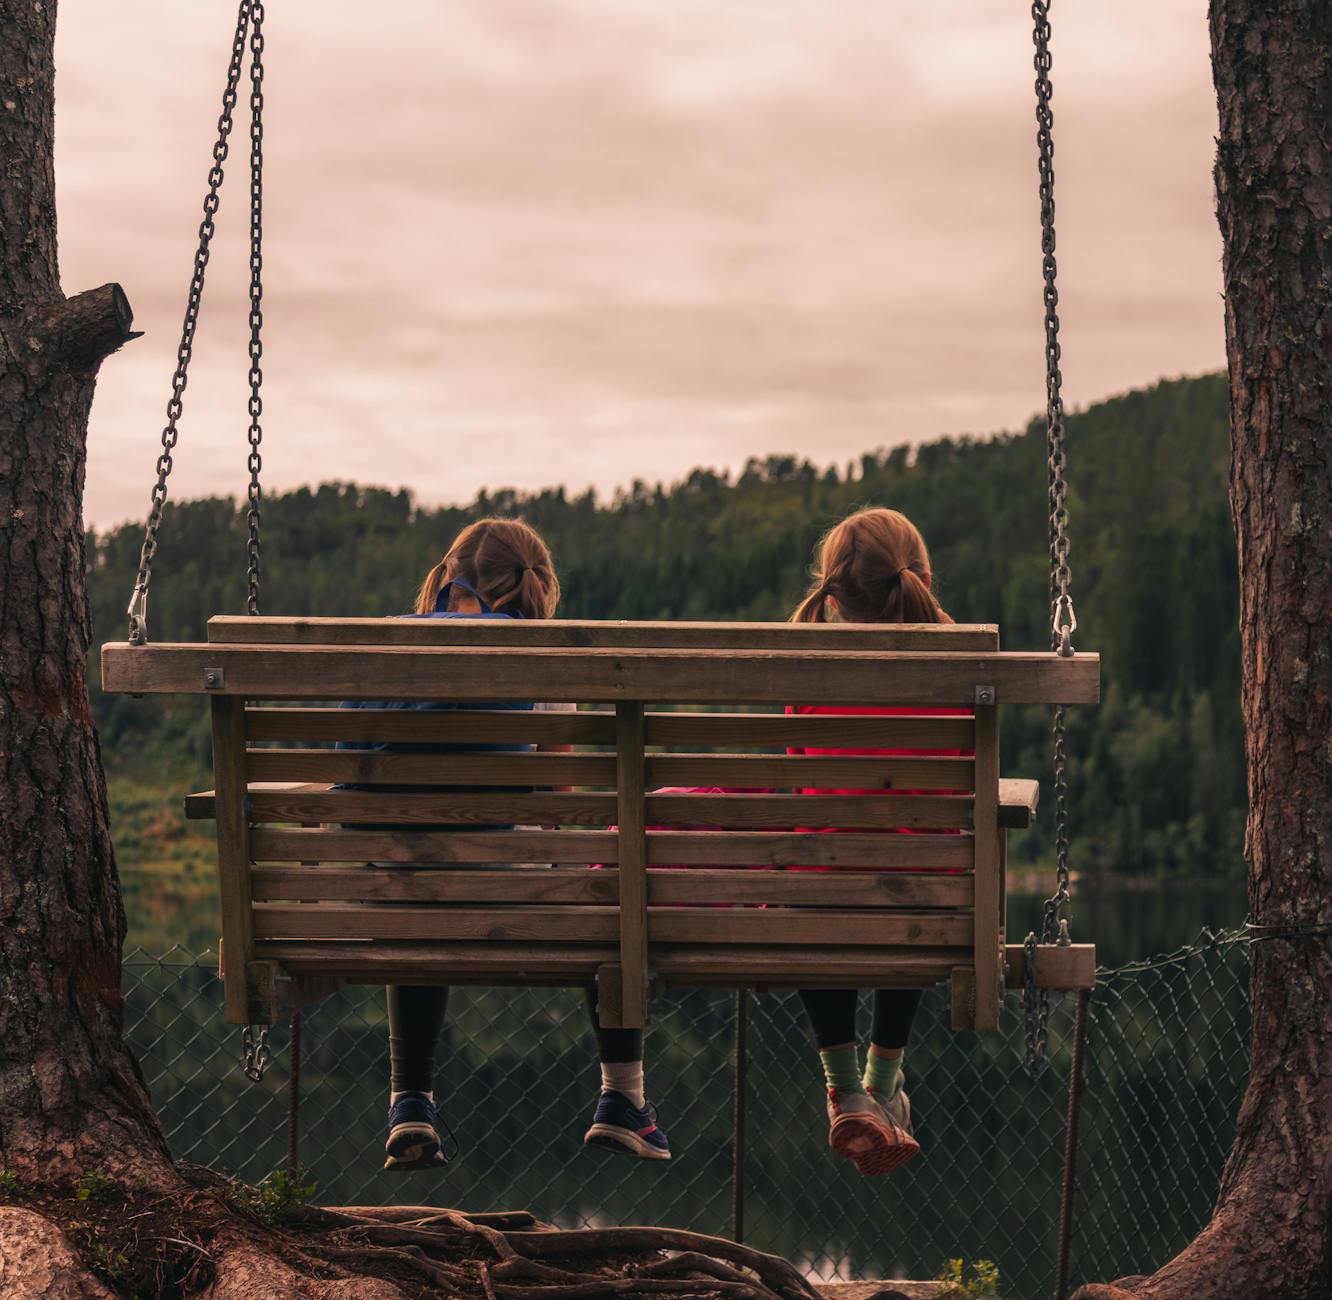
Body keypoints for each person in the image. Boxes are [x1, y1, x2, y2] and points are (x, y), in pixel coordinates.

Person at [341, 517, 563, 1171]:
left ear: (452, 582)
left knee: (419, 876)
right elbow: (555, 789)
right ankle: (623, 1093)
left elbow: (347, 779)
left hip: (388, 888)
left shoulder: (389, 647)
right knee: (463, 862)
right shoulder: (547, 659)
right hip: (511, 891)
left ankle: (410, 1098)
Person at [787, 506, 971, 1176]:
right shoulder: (958, 666)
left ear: (833, 595)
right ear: (919, 579)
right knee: (910, 873)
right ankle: (885, 1083)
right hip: (926, 905)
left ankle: (844, 1090)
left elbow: (800, 780)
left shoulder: (805, 668)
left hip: (816, 906)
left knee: (820, 871)